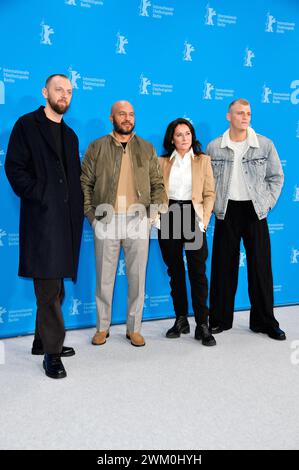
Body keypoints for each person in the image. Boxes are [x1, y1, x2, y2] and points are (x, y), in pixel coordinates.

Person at [5, 74, 84, 379]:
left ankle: (42, 340)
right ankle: (52, 353)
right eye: (59, 89)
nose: (64, 95)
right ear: (45, 92)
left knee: (56, 287)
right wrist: (40, 195)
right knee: (48, 288)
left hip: (66, 222)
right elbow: (14, 167)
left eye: (68, 91)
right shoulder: (27, 126)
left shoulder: (71, 135)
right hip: (42, 219)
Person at [81, 100, 167, 347]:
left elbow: (158, 185)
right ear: (112, 118)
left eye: (131, 114)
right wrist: (91, 216)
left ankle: (134, 329)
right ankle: (102, 328)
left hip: (138, 220)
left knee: (137, 278)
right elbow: (84, 183)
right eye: (122, 114)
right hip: (106, 219)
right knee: (104, 279)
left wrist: (152, 216)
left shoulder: (146, 148)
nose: (127, 118)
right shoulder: (96, 147)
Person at [206, 98, 286, 340]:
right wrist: (214, 206)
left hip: (255, 211)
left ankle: (264, 321)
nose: (245, 117)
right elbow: (207, 182)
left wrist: (266, 203)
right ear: (228, 116)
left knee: (261, 268)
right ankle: (219, 320)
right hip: (226, 211)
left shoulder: (264, 144)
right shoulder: (214, 147)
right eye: (239, 113)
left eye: (248, 113)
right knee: (222, 268)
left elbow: (276, 177)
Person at [158, 118, 216, 346]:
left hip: (193, 216)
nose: (184, 138)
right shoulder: (161, 161)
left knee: (197, 272)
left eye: (187, 133)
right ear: (171, 138)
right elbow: (155, 191)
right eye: (179, 134)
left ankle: (203, 324)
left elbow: (209, 193)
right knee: (175, 271)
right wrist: (157, 219)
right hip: (170, 214)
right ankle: (181, 319)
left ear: (193, 136)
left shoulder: (203, 161)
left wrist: (203, 221)